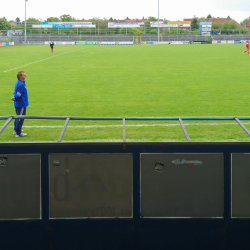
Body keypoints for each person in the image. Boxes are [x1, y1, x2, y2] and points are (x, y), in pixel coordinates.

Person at [10, 71, 29, 137]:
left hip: (19, 104)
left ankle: (16, 130)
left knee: (17, 117)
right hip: (21, 104)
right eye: (24, 75)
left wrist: (14, 96)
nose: (25, 76)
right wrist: (14, 98)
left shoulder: (18, 82)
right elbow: (18, 94)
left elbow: (15, 92)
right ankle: (18, 133)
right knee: (20, 118)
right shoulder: (21, 84)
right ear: (20, 77)